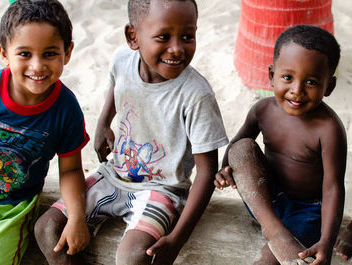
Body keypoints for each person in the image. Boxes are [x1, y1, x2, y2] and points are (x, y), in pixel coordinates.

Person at [34, 0, 229, 264]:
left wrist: (177, 239)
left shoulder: (196, 95)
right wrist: (104, 122)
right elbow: (118, 86)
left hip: (163, 188)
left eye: (187, 36)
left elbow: (206, 173)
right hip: (114, 174)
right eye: (163, 37)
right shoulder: (122, 60)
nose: (177, 49)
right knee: (47, 229)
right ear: (132, 36)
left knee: (132, 257)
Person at [0, 1, 90, 264]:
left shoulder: (67, 109)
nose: (37, 66)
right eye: (24, 54)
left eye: (50, 53)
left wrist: (76, 217)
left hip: (9, 207)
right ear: (4, 53)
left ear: (68, 52)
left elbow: (71, 170)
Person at [214, 24, 347, 265]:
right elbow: (237, 147)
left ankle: (277, 235)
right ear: (271, 75)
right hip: (265, 199)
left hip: (306, 211)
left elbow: (333, 188)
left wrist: (327, 241)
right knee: (243, 147)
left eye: (311, 82)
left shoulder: (329, 129)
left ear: (329, 86)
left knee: (268, 261)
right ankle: (273, 229)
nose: (296, 91)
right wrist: (224, 171)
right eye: (287, 77)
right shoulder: (262, 110)